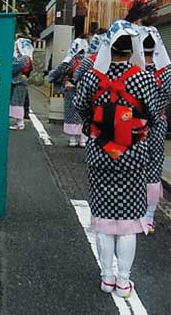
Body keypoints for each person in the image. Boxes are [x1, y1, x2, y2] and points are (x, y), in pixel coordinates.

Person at [74, 21, 158, 298]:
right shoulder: (144, 77)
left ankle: (106, 278)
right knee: (129, 222)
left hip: (100, 152)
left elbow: (80, 107)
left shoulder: (92, 76)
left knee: (103, 219)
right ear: (132, 48)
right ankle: (123, 281)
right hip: (132, 154)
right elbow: (154, 113)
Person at [140, 26, 171, 233]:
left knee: (133, 167)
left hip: (133, 125)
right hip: (158, 124)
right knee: (153, 168)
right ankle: (149, 216)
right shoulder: (167, 73)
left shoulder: (132, 72)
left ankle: (130, 213)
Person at [48, 37, 89, 147]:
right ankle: (83, 140)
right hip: (85, 89)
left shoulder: (71, 59)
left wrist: (50, 77)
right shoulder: (89, 60)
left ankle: (73, 140)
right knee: (83, 113)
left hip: (71, 88)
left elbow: (58, 71)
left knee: (71, 112)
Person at [10, 37, 33, 130]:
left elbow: (15, 66)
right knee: (18, 101)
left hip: (18, 81)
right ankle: (19, 122)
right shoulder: (27, 57)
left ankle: (20, 123)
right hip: (20, 80)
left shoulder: (24, 58)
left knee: (17, 102)